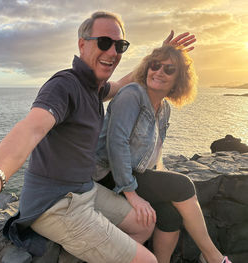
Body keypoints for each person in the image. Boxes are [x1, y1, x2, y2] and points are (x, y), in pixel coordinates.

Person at [0, 11, 196, 263]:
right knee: (149, 261)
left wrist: (158, 55)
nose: (113, 52)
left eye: (119, 46)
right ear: (82, 44)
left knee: (144, 223)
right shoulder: (64, 86)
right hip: (55, 204)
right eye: (104, 42)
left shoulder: (93, 87)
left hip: (84, 190)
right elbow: (31, 128)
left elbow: (122, 83)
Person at [94, 45, 231, 263]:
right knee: (183, 185)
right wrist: (131, 194)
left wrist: (160, 183)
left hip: (134, 174)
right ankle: (213, 257)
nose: (158, 71)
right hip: (107, 175)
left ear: (179, 80)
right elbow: (115, 144)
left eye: (169, 69)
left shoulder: (164, 108)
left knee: (170, 215)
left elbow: (154, 152)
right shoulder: (132, 94)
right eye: (155, 65)